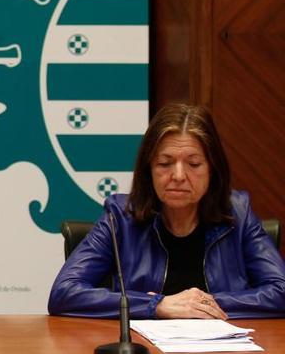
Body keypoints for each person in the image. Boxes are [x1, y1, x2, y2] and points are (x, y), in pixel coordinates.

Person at [48, 103, 285, 319]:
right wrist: (156, 305)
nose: (179, 176)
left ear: (212, 169)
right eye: (164, 163)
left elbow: (280, 291)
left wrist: (200, 304)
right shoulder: (120, 217)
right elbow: (64, 293)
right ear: (148, 169)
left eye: (193, 164)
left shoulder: (238, 215)